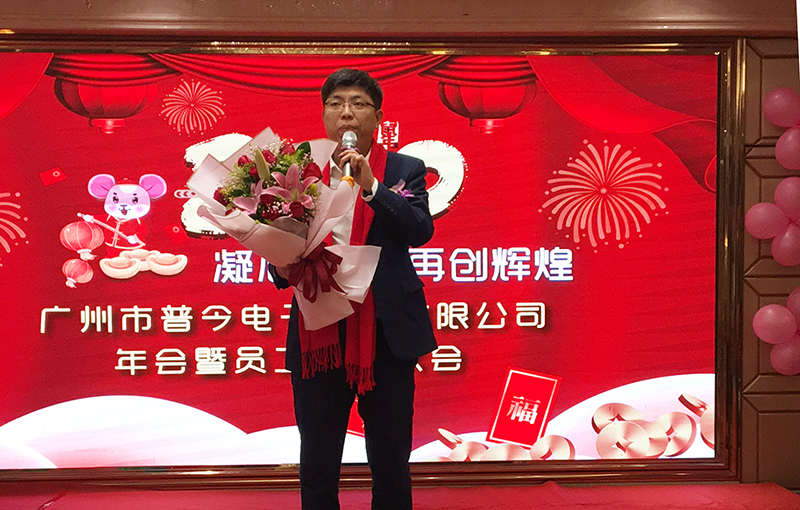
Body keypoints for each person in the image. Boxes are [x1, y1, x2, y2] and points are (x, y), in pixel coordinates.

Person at [270, 68, 437, 510]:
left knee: (391, 455)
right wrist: (278, 262)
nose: (347, 113)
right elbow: (278, 244)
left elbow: (420, 230)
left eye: (359, 104)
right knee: (318, 455)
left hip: (385, 328)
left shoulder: (404, 169)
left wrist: (372, 187)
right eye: (336, 103)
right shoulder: (298, 171)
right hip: (319, 328)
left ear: (378, 117)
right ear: (324, 114)